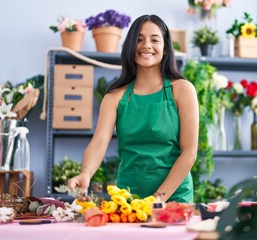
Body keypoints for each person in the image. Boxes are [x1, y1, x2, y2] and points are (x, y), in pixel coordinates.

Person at [67, 14, 199, 203]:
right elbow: (98, 143)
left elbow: (189, 153)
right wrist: (85, 173)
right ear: (130, 47)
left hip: (173, 197)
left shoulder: (183, 90)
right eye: (139, 40)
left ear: (165, 48)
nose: (146, 45)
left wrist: (158, 199)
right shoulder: (114, 97)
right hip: (128, 197)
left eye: (154, 40)